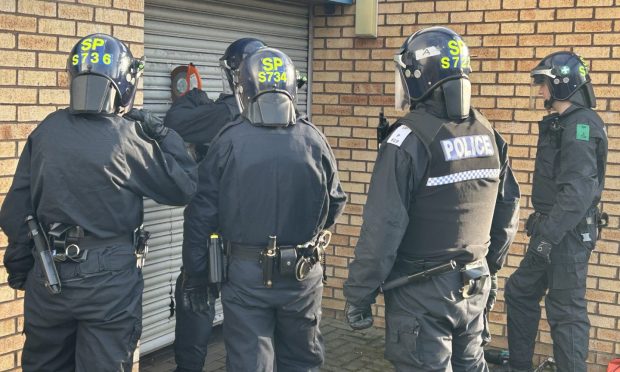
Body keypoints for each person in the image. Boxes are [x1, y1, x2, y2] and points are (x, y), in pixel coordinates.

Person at [0, 33, 197, 371]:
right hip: (110, 282)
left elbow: (17, 211)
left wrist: (20, 268)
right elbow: (183, 186)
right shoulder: (127, 138)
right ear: (123, 82)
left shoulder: (47, 131)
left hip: (49, 276)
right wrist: (161, 132)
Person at [343, 26, 520, 371]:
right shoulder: (489, 133)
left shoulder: (406, 141)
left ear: (421, 76)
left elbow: (382, 228)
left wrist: (359, 294)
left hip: (420, 292)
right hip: (473, 283)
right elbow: (507, 210)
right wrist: (491, 268)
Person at [181, 47, 347, 372]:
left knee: (249, 363)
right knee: (301, 361)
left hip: (246, 275)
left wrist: (196, 273)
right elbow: (336, 202)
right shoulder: (314, 140)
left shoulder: (227, 141)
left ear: (243, 89)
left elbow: (201, 214)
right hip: (302, 272)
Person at [163, 37, 267, 372]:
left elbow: (176, 122)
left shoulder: (225, 112)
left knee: (196, 296)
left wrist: (191, 96)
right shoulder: (287, 117)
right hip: (256, 236)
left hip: (212, 230)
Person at [505, 52, 608, 372]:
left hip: (567, 235)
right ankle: (519, 366)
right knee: (520, 291)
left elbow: (578, 192)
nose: (540, 91)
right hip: (552, 231)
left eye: (545, 84)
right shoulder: (564, 122)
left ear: (563, 84)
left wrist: (547, 237)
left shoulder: (580, 125)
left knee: (565, 311)